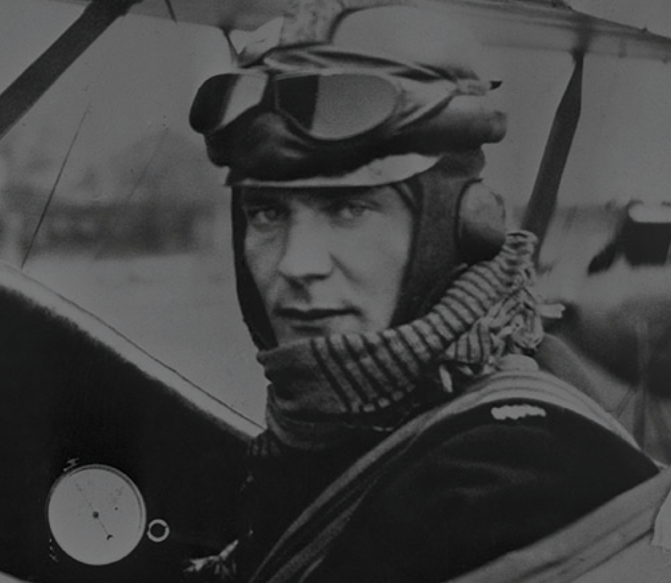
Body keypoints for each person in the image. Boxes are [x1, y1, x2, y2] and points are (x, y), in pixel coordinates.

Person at [186, 1, 659, 581]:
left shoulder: (509, 485)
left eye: (348, 208)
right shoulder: (332, 430)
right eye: (265, 212)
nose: (295, 263)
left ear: (454, 228)